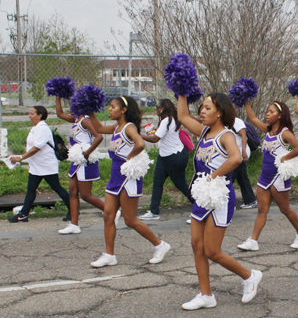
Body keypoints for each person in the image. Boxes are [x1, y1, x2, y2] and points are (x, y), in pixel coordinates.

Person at [175, 92, 263, 310]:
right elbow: (183, 116)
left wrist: (212, 177)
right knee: (197, 245)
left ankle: (250, 275)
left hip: (220, 197)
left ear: (220, 112)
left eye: (207, 108)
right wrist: (182, 91)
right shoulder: (204, 131)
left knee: (212, 250)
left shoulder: (226, 136)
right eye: (202, 108)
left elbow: (235, 158)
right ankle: (206, 295)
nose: (202, 111)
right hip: (204, 195)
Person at [87, 96, 171, 268]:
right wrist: (90, 110)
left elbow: (140, 144)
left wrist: (129, 158)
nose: (109, 109)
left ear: (123, 110)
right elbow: (100, 128)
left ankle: (160, 245)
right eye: (109, 106)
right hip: (115, 177)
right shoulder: (117, 127)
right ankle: (109, 255)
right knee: (108, 215)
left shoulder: (129, 127)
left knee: (130, 220)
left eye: (113, 107)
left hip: (127, 178)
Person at [236, 100, 298, 251]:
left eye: (272, 112)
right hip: (265, 176)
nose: (268, 114)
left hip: (278, 177)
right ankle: (253, 241)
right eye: (267, 111)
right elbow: (253, 118)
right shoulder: (268, 130)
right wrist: (246, 99)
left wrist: (284, 158)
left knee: (285, 209)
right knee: (262, 210)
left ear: (280, 115)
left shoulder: (285, 133)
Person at [8, 105, 71, 224]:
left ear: (39, 115)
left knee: (56, 187)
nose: (29, 116)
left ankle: (73, 209)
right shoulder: (35, 128)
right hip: (37, 166)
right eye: (29, 113)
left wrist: (20, 157)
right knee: (31, 190)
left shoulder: (43, 128)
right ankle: (23, 215)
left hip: (46, 165)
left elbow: (37, 147)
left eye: (32, 113)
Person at [54, 96, 106, 234]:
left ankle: (110, 210)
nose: (70, 107)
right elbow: (59, 113)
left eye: (73, 105)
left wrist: (88, 153)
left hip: (85, 160)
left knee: (85, 195)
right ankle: (74, 225)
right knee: (73, 192)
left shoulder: (85, 120)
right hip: (77, 160)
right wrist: (58, 96)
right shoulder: (75, 119)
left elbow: (99, 136)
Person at [139, 98, 194, 220]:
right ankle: (153, 211)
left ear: (162, 108)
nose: (156, 109)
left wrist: (137, 135)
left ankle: (201, 208)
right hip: (165, 155)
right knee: (157, 182)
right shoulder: (170, 120)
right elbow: (160, 136)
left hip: (174, 156)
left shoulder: (167, 120)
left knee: (180, 184)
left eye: (157, 107)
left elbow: (155, 139)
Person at [231, 116, 258, 209]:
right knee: (242, 177)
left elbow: (244, 136)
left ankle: (229, 203)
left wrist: (243, 151)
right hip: (235, 154)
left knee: (228, 179)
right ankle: (251, 200)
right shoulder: (223, 121)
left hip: (240, 154)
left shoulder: (236, 121)